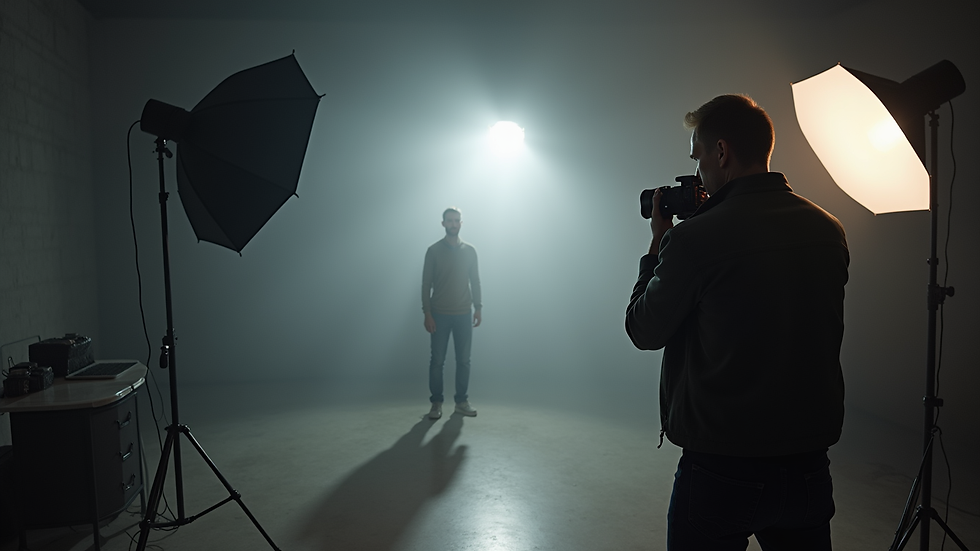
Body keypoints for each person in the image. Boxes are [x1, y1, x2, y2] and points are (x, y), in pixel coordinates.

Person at [625, 94, 849, 550]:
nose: (698, 171)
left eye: (698, 157)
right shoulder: (828, 229)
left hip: (722, 468)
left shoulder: (693, 240)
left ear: (721, 152)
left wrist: (657, 248)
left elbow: (644, 329)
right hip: (808, 465)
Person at [422, 207, 482, 420]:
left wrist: (479, 307)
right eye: (449, 221)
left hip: (464, 314)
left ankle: (461, 402)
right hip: (439, 314)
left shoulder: (470, 251)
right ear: (443, 224)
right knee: (437, 361)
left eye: (457, 220)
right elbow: (426, 284)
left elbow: (474, 281)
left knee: (464, 360)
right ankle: (436, 403)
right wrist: (427, 313)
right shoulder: (433, 251)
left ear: (461, 223)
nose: (453, 224)